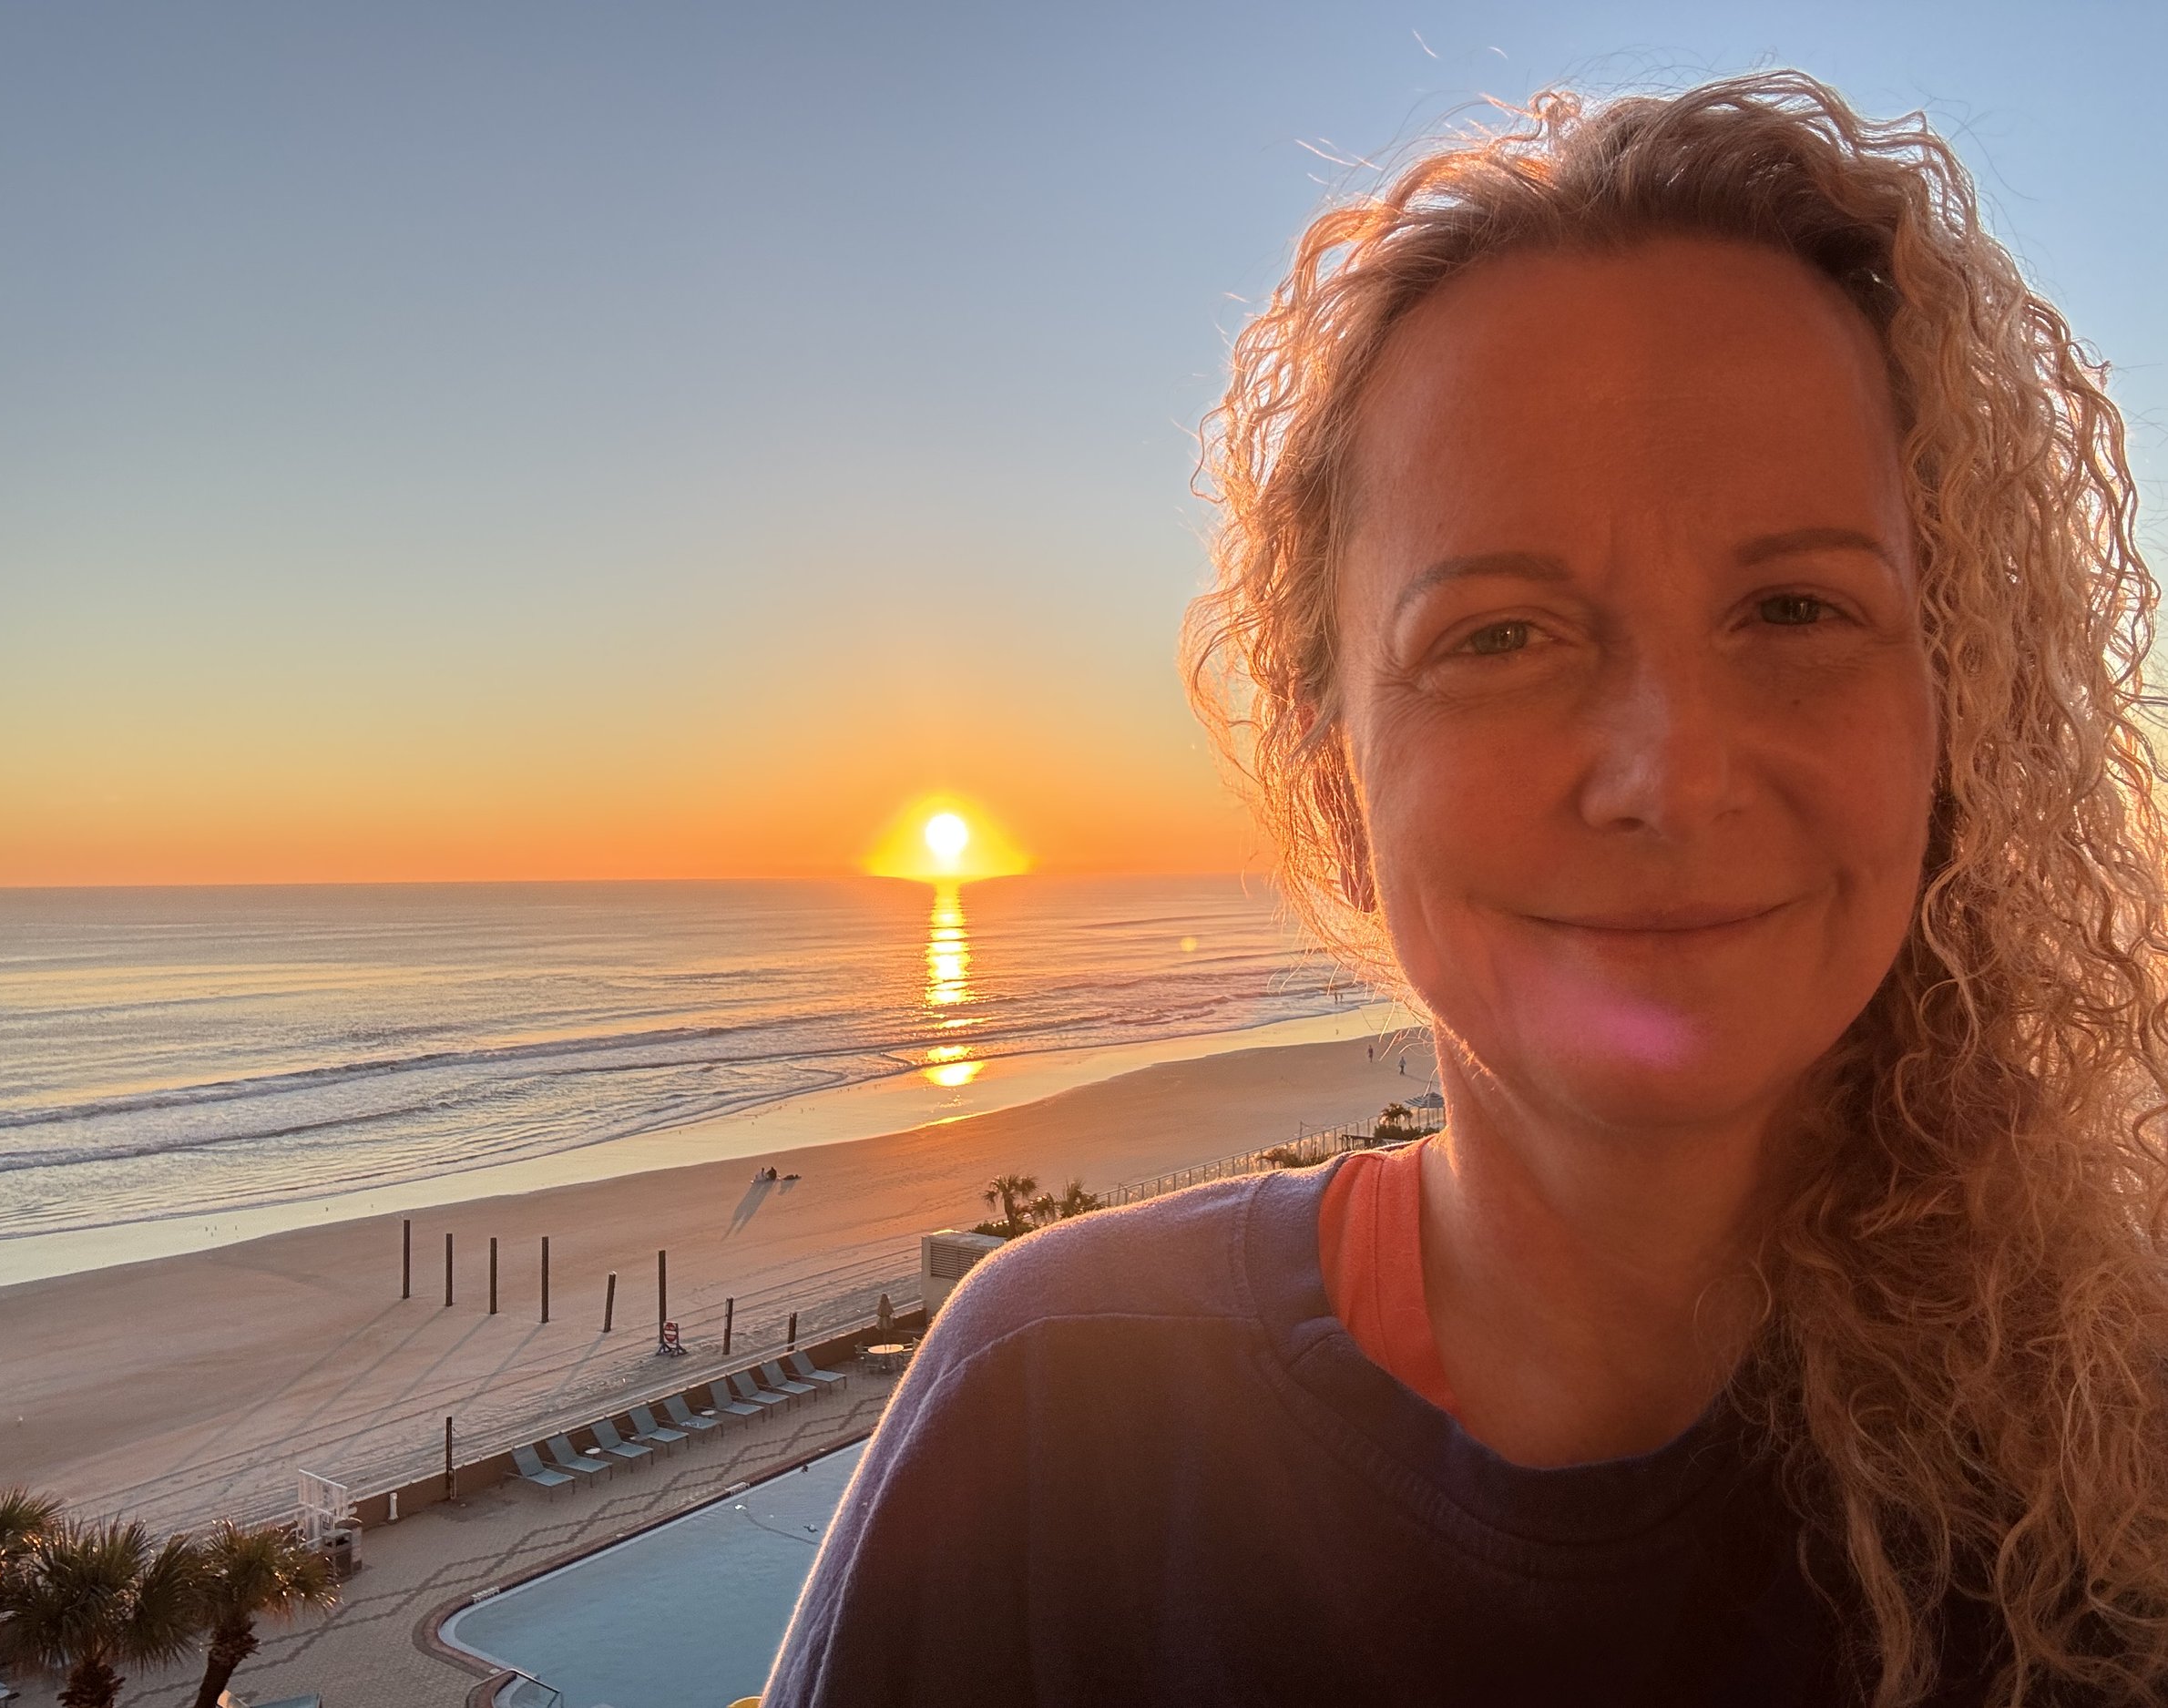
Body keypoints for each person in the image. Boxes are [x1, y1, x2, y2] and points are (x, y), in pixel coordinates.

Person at [763, 73, 2168, 1707]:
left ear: (1956, 713)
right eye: (1496, 636)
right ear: (1335, 778)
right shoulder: (1062, 1410)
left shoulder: (2119, 1484)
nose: (1668, 769)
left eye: (1796, 609)